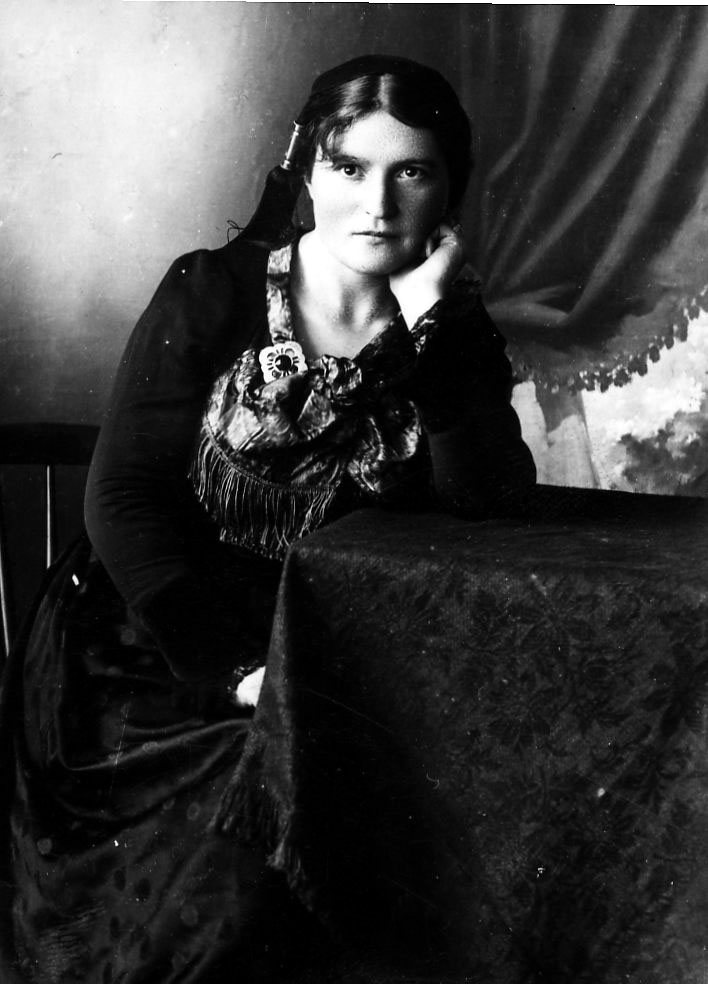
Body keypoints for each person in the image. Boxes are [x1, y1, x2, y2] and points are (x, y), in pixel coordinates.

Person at [0, 55, 536, 984]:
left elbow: (486, 498)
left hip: (331, 646)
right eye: (348, 167)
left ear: (449, 186)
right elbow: (121, 502)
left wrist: (432, 324)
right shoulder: (215, 290)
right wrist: (236, 671)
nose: (377, 203)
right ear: (308, 171)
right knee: (244, 875)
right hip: (155, 648)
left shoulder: (451, 323)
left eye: (411, 171)